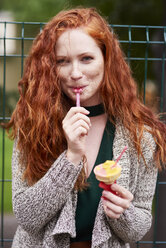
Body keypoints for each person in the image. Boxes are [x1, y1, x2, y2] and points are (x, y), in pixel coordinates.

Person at [4, 7, 166, 248]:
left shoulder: (140, 134)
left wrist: (122, 213)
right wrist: (71, 157)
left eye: (86, 58)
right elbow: (27, 218)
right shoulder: (34, 125)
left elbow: (138, 228)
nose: (75, 73)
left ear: (106, 59)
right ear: (51, 67)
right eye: (63, 62)